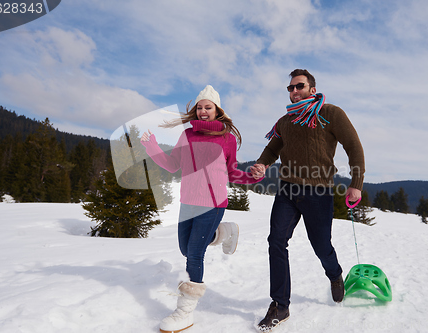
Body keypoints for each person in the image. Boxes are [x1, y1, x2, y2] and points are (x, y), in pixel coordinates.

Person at [140, 85, 263, 333]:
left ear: (217, 111)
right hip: (188, 201)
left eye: (208, 107)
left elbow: (231, 173)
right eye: (200, 107)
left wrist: (253, 177)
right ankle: (225, 232)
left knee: (194, 254)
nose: (203, 111)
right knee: (185, 248)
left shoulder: (227, 139)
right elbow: (173, 164)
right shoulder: (187, 135)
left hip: (213, 203)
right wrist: (151, 146)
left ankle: (185, 311)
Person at [250, 69, 365, 331]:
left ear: (312, 89)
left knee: (321, 246)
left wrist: (356, 185)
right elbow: (272, 148)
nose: (293, 92)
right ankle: (280, 304)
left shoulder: (331, 114)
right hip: (288, 190)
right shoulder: (285, 121)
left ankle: (335, 275)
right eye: (289, 88)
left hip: (318, 191)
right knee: (276, 241)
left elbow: (354, 146)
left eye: (298, 86)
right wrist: (261, 163)